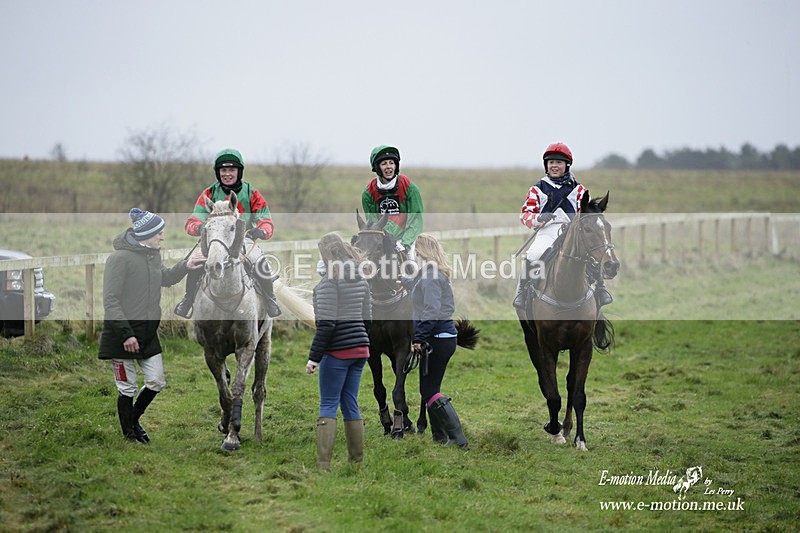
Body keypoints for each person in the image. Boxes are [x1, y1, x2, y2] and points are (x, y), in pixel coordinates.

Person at [99, 208, 205, 443]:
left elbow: (164, 278)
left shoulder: (151, 255)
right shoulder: (119, 259)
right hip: (121, 336)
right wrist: (126, 335)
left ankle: (133, 421)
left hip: (147, 334)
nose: (162, 237)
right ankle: (129, 435)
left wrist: (187, 265)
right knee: (127, 387)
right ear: (146, 234)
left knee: (156, 381)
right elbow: (111, 301)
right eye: (159, 233)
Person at [175, 148, 281, 318]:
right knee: (195, 260)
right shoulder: (208, 193)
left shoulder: (251, 193)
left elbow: (266, 220)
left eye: (232, 170)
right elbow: (192, 222)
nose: (227, 174)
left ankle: (270, 299)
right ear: (218, 173)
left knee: (259, 260)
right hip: (215, 239)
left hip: (243, 239)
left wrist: (261, 231)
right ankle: (187, 300)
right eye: (223, 170)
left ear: (239, 172)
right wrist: (201, 228)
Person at [513, 142, 613, 311]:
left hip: (573, 232)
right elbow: (525, 215)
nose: (554, 166)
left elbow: (587, 215)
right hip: (547, 231)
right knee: (534, 253)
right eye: (551, 162)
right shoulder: (537, 189)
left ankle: (601, 289)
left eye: (558, 162)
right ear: (546, 165)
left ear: (567, 165)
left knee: (590, 254)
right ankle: (523, 292)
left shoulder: (579, 189)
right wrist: (539, 218)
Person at [305, 233, 372, 469]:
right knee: (350, 402)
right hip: (360, 350)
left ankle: (323, 465)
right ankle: (357, 462)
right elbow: (368, 319)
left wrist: (313, 358)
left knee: (328, 404)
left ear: (325, 254)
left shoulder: (326, 284)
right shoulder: (361, 279)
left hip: (337, 352)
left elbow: (327, 325)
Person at [410, 234, 468, 449]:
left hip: (438, 339)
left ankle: (458, 438)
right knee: (429, 387)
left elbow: (431, 310)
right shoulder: (429, 273)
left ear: (420, 252)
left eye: (414, 251)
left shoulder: (431, 276)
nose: (413, 255)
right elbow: (414, 284)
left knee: (429, 390)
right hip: (440, 337)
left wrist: (419, 337)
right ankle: (439, 435)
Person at [361, 145, 424, 260]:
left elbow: (415, 220)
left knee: (412, 262)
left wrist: (405, 244)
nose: (389, 167)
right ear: (377, 167)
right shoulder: (368, 193)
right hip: (382, 241)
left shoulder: (410, 187)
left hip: (406, 240)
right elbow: (373, 223)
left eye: (391, 163)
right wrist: (385, 241)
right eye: (384, 163)